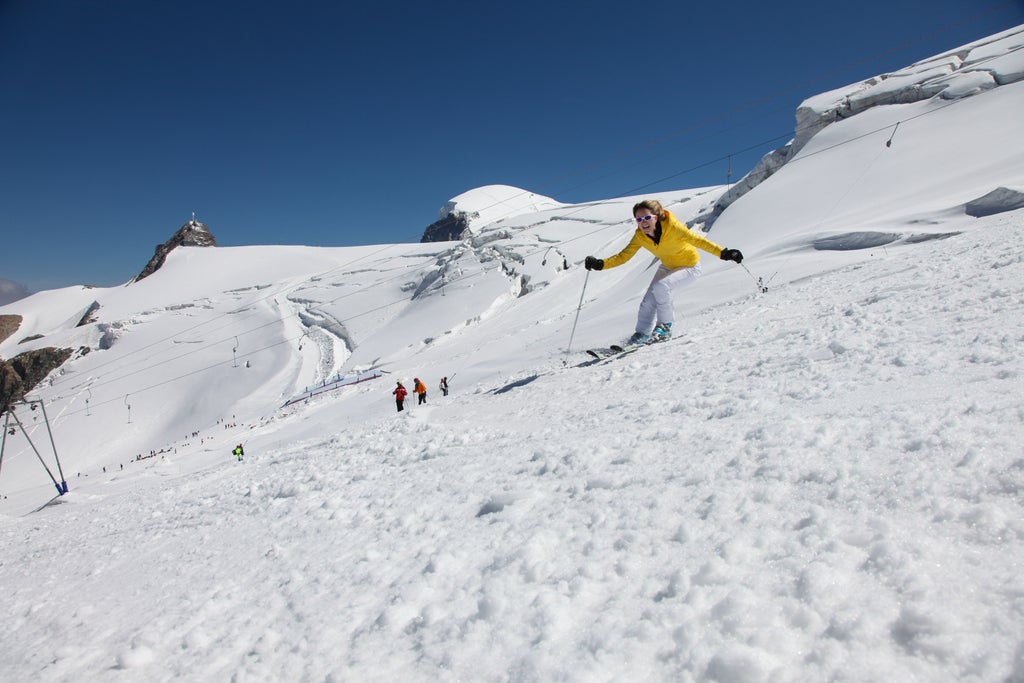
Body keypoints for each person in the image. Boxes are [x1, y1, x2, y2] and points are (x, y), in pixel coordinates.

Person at [584, 199, 743, 345]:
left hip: (690, 266)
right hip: (668, 266)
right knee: (648, 301)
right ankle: (642, 334)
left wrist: (724, 253)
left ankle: (665, 326)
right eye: (639, 220)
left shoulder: (673, 227)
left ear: (657, 216)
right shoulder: (640, 236)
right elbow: (623, 256)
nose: (643, 223)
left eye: (647, 218)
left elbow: (698, 240)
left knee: (661, 287)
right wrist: (600, 264)